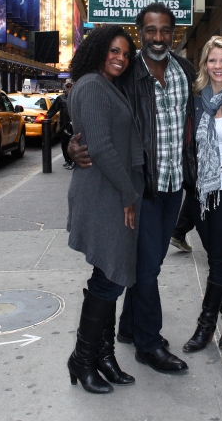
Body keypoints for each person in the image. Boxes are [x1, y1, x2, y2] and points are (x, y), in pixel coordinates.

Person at [69, 2, 196, 374]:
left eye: (166, 31)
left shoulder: (185, 71)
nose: (159, 37)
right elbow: (92, 120)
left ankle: (127, 327)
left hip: (174, 186)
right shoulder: (122, 73)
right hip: (140, 188)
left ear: (173, 33)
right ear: (142, 32)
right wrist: (71, 146)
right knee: (147, 269)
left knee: (150, 262)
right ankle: (148, 343)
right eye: (151, 30)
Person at [66, 25, 144, 395]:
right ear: (99, 50)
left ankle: (105, 357)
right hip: (104, 194)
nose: (121, 58)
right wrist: (129, 195)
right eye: (114, 50)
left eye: (126, 54)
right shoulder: (92, 86)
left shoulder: (104, 86)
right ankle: (82, 360)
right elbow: (100, 147)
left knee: (109, 273)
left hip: (111, 191)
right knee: (110, 278)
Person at [181, 36, 222, 354]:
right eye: (212, 60)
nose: (218, 66)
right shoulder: (193, 99)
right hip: (200, 192)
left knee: (217, 258)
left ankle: (206, 325)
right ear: (205, 63)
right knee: (216, 258)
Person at [46, 80, 74, 170]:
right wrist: (47, 118)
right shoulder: (61, 98)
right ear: (65, 88)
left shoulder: (77, 97)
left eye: (71, 86)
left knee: (73, 142)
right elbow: (53, 110)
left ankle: (72, 161)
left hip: (75, 124)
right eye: (68, 86)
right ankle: (67, 160)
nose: (69, 88)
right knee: (64, 143)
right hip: (64, 124)